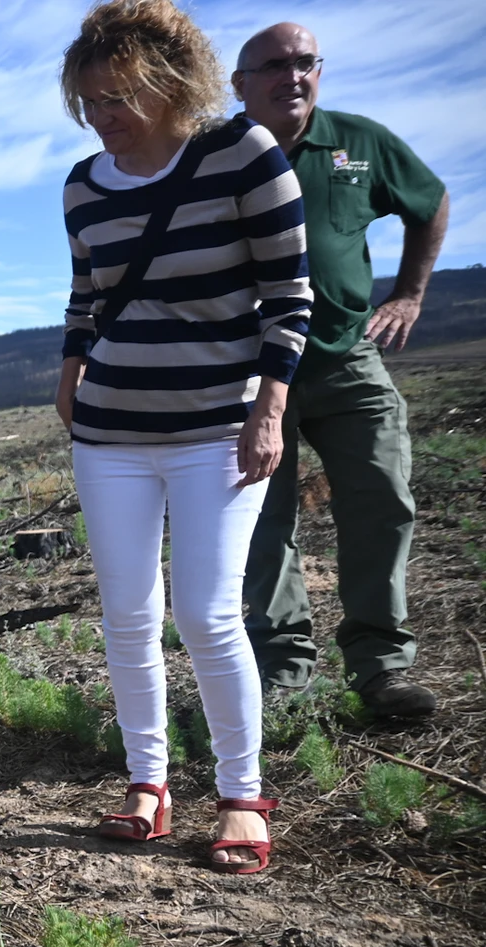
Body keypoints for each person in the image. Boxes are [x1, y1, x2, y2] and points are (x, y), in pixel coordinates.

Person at [56, 0, 312, 875]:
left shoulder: (245, 155)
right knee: (128, 616)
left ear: (170, 84)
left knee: (206, 612)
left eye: (118, 96)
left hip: (218, 427)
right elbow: (86, 297)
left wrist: (269, 407)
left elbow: (290, 298)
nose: (103, 116)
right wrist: (69, 373)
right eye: (90, 100)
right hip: (111, 431)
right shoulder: (84, 185)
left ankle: (241, 793)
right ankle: (148, 784)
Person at [234, 23, 450, 723]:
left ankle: (381, 667)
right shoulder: (217, 156)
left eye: (305, 63)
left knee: (381, 496)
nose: (291, 77)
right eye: (272, 66)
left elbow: (430, 201)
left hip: (344, 354)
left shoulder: (358, 142)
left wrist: (410, 292)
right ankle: (283, 672)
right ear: (240, 85)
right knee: (264, 522)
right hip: (252, 371)